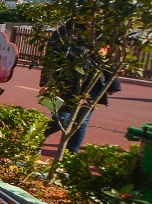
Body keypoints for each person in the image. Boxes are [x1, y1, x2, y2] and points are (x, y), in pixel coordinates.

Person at [39, 22, 121, 154]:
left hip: (92, 84)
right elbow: (51, 58)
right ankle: (35, 138)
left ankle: (71, 155)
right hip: (66, 83)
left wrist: (113, 83)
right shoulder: (63, 33)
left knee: (81, 123)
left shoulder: (100, 33)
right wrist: (47, 81)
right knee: (61, 120)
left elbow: (107, 60)